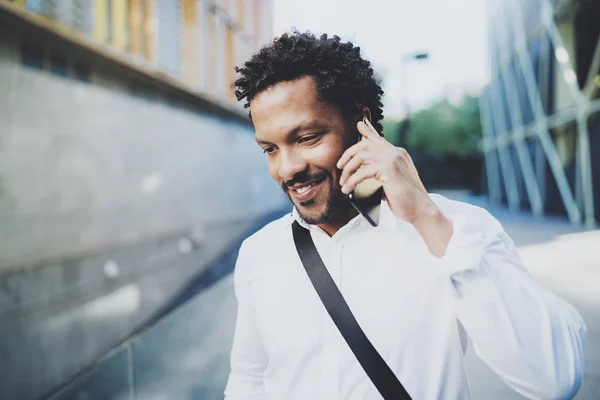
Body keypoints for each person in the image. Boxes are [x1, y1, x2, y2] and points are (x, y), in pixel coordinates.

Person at [224, 30, 586, 400]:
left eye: (307, 139)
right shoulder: (260, 254)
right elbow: (250, 378)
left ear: (361, 125)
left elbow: (554, 379)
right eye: (269, 149)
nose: (287, 169)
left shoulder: (453, 230)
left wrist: (426, 217)